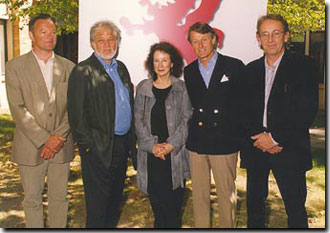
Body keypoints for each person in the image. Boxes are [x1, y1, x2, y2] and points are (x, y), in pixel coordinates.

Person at [240, 14, 319, 228]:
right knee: (255, 210)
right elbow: (244, 111)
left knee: (295, 210)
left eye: (276, 33)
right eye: (265, 34)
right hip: (256, 149)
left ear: (286, 36)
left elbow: (306, 109)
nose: (271, 39)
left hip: (290, 148)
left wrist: (274, 138)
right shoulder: (250, 70)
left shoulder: (304, 66)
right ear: (258, 38)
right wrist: (260, 138)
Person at [5, 14, 75, 228]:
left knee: (59, 199)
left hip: (61, 146)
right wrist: (46, 139)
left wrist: (57, 138)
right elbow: (17, 109)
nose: (49, 36)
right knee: (32, 200)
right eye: (43, 31)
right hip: (29, 145)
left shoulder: (69, 68)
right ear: (31, 35)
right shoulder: (14, 67)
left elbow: (73, 108)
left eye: (53, 32)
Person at [67, 20, 136, 228]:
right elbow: (76, 115)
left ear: (118, 42)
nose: (107, 45)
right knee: (98, 205)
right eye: (101, 40)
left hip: (121, 145)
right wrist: (89, 146)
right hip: (98, 148)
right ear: (92, 43)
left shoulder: (121, 68)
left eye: (111, 39)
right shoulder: (83, 71)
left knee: (114, 200)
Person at [184, 22, 245, 228]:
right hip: (198, 143)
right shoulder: (189, 71)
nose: (200, 45)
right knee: (199, 196)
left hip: (224, 142)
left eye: (204, 40)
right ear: (191, 45)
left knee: (226, 195)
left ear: (213, 40)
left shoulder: (234, 66)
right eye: (195, 41)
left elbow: (243, 105)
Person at [134, 42, 192, 228]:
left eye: (164, 60)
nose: (160, 65)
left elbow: (186, 120)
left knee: (174, 212)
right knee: (158, 211)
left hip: (174, 157)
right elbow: (138, 121)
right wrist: (152, 146)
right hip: (152, 158)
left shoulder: (182, 88)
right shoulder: (143, 88)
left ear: (172, 63)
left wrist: (170, 145)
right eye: (156, 61)